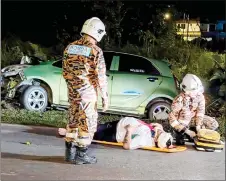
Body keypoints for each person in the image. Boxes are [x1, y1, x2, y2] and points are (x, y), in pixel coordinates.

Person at [62, 17, 108, 165]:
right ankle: (81, 155)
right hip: (87, 94)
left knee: (73, 121)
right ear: (98, 32)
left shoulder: (70, 47)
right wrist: (105, 97)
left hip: (73, 93)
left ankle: (69, 152)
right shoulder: (95, 51)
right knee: (87, 123)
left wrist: (73, 86)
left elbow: (65, 71)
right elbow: (100, 76)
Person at [59, 117, 175, 150]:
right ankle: (73, 129)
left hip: (114, 134)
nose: (159, 131)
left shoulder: (145, 140)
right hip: (117, 124)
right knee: (93, 128)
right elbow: (162, 134)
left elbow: (127, 146)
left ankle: (69, 133)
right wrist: (159, 128)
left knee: (91, 134)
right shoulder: (155, 133)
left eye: (160, 133)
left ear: (156, 140)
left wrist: (129, 131)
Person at [168, 74, 219, 145]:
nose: (196, 93)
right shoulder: (179, 99)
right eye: (193, 91)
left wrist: (198, 127)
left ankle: (196, 134)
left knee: (213, 124)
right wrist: (187, 131)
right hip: (182, 123)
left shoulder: (200, 96)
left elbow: (200, 112)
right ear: (186, 91)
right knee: (186, 115)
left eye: (196, 91)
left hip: (193, 120)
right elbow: (172, 118)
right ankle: (183, 134)